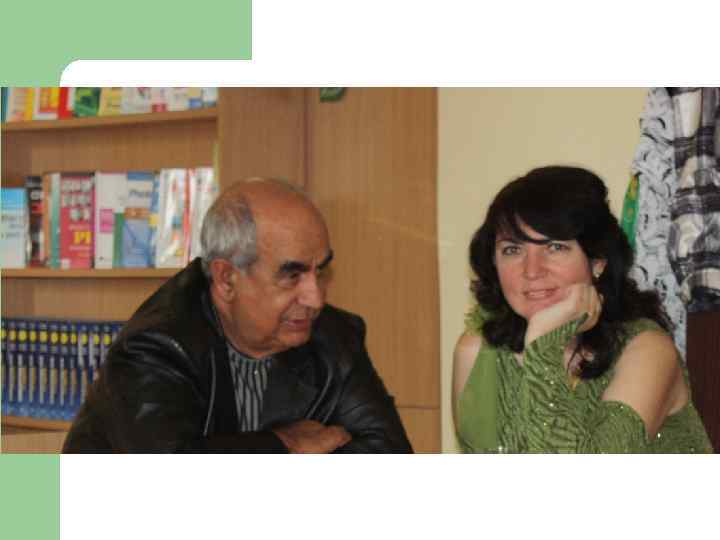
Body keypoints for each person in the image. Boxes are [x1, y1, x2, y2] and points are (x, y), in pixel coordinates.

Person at [63, 178, 412, 453]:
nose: (316, 298)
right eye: (292, 275)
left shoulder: (335, 337)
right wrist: (282, 445)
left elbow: (390, 456)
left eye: (320, 271)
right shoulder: (155, 346)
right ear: (227, 279)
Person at [453, 166, 712, 453]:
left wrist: (542, 344)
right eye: (512, 250)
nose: (532, 270)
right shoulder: (476, 351)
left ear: (597, 261)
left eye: (555, 247)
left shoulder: (648, 350)